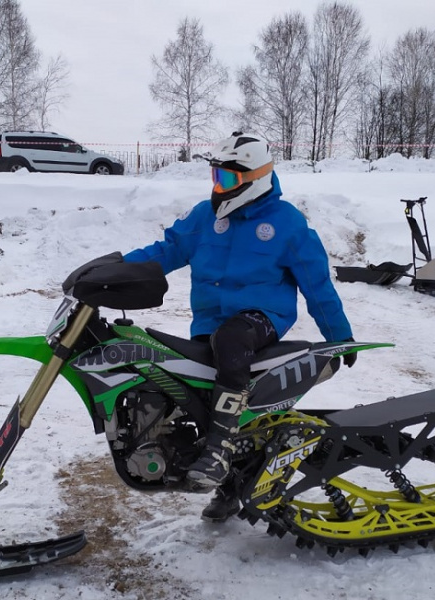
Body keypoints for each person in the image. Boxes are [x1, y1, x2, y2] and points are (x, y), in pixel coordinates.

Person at [123, 131, 355, 522]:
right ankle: (234, 486)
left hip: (258, 320)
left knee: (231, 341)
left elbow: (317, 286)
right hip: (209, 325)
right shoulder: (204, 216)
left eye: (227, 179)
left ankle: (218, 453)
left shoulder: (287, 224)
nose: (218, 187)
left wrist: (340, 336)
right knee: (194, 390)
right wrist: (115, 270)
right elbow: (165, 251)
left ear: (255, 177)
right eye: (215, 176)